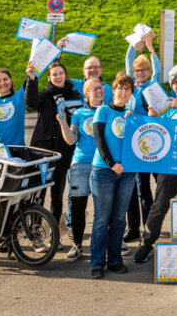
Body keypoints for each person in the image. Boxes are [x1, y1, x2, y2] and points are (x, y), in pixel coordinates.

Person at [133, 65, 177, 263]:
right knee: (159, 204)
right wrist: (152, 118)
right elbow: (157, 132)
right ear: (172, 85)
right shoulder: (166, 106)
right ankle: (147, 243)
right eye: (176, 82)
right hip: (170, 164)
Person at [88, 72, 137, 278]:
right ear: (113, 90)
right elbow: (99, 139)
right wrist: (111, 163)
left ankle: (115, 259)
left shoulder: (131, 115)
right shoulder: (103, 111)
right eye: (120, 88)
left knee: (119, 219)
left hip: (126, 172)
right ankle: (97, 263)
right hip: (103, 171)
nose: (123, 92)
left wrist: (134, 121)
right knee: (101, 219)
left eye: (127, 89)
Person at [24, 59, 77, 229]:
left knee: (57, 197)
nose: (58, 76)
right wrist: (31, 80)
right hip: (42, 153)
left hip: (63, 153)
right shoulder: (44, 95)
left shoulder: (74, 96)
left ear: (66, 75)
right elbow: (30, 102)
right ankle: (36, 230)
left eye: (61, 73)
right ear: (49, 77)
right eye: (54, 74)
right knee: (39, 193)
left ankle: (54, 232)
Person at [55, 77, 104, 260]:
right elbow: (71, 140)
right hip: (81, 163)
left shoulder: (109, 111)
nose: (99, 90)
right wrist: (62, 122)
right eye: (94, 88)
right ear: (86, 93)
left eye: (101, 87)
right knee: (77, 205)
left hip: (103, 164)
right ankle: (77, 245)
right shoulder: (79, 114)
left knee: (104, 206)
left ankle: (107, 243)